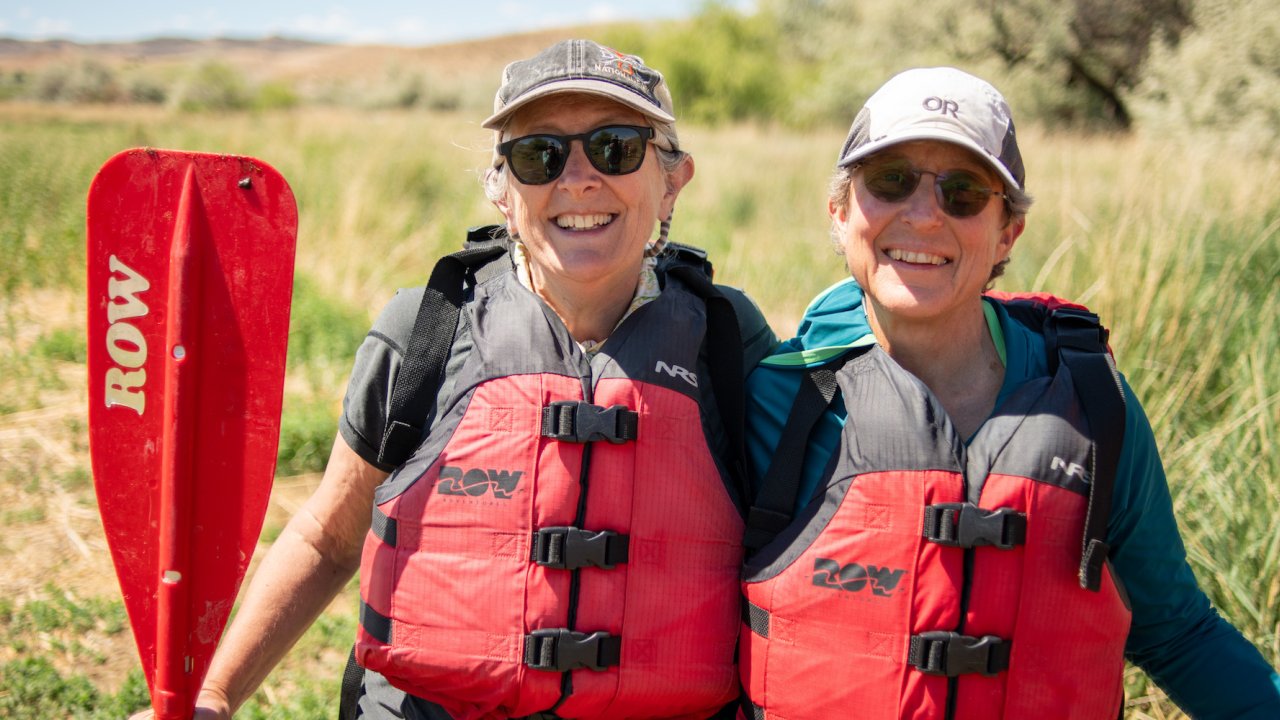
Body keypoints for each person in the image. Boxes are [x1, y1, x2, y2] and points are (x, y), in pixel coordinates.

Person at [132, 39, 774, 720]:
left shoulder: (729, 343)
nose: (578, 179)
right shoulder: (427, 328)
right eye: (539, 154)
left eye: (615, 147)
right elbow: (327, 539)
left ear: (673, 179)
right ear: (501, 187)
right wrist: (215, 695)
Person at [737, 67, 1280, 718]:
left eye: (962, 192)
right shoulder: (776, 398)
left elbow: (1178, 633)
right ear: (840, 210)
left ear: (1007, 234)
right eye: (890, 181)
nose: (922, 215)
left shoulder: (1092, 408)